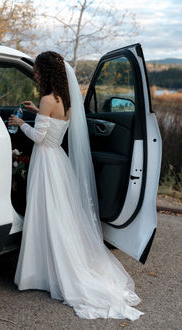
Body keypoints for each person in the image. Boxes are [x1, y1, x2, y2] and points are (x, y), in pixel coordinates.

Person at [8, 51, 144, 320]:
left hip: (46, 162)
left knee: (46, 214)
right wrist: (38, 113)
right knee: (59, 216)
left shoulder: (47, 98)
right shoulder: (64, 100)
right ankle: (50, 268)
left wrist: (21, 122)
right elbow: (55, 125)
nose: (34, 74)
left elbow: (39, 138)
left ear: (45, 72)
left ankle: (41, 272)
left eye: (36, 70)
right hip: (59, 160)